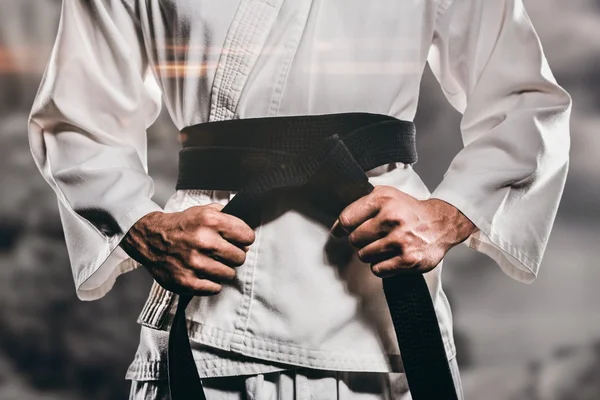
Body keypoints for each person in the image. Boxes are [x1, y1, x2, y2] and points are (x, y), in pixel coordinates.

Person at [28, 0, 571, 398]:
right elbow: (77, 115)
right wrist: (139, 224)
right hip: (212, 309)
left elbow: (525, 99)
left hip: (379, 314)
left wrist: (450, 214)